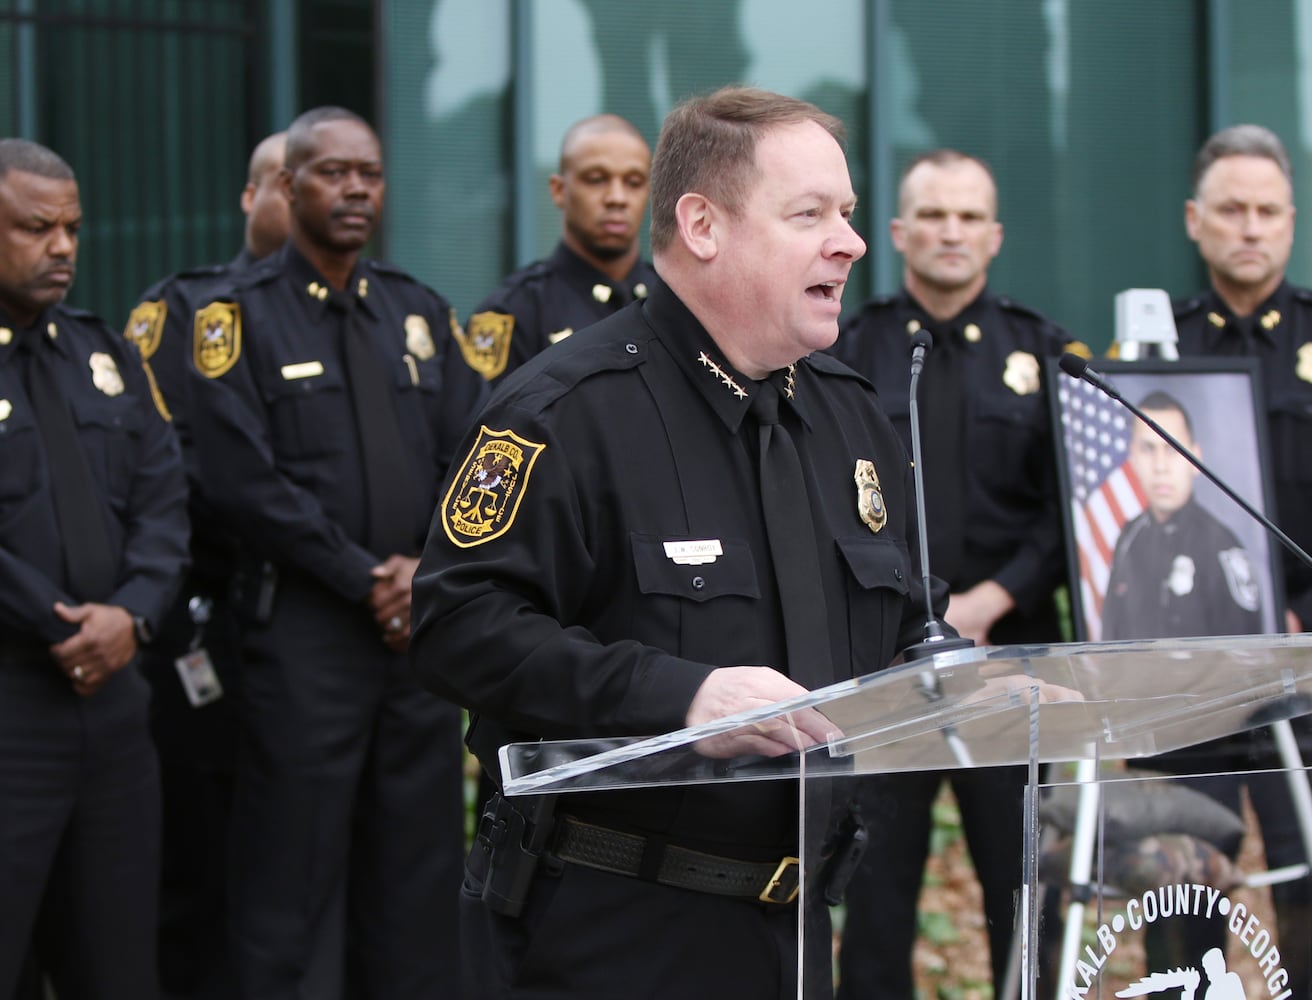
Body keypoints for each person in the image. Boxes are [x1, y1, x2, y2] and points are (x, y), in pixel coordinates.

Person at [410, 85, 947, 1000]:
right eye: (810, 214)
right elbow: (456, 625)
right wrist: (684, 693)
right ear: (702, 224)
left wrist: (971, 679)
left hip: (797, 927)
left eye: (848, 215)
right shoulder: (564, 412)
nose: (851, 243)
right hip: (610, 931)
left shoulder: (852, 418)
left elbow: (901, 627)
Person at [185, 107, 487, 1000]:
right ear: (287, 185)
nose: (355, 189)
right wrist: (368, 577)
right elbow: (245, 485)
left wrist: (421, 570)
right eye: (332, 173)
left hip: (412, 643)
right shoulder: (231, 321)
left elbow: (470, 458)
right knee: (293, 882)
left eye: (371, 174)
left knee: (418, 874)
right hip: (305, 640)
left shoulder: (418, 311)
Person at [829, 149, 1083, 1000]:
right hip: (888, 666)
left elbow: (1068, 508)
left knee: (1025, 891)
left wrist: (988, 600)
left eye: (969, 217)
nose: (951, 232)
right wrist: (921, 612)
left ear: (996, 234)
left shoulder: (1045, 350)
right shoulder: (846, 344)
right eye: (932, 215)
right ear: (896, 232)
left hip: (1012, 666)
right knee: (874, 892)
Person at [0, 138, 189, 999]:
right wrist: (57, 621)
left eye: (72, 227)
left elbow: (163, 501)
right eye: (35, 228)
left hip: (113, 708)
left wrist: (133, 615)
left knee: (116, 962)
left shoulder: (102, 355)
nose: (64, 247)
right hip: (14, 704)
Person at [122, 130, 290, 1000]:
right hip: (206, 614)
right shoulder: (182, 310)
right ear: (248, 197)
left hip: (309, 630)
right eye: (279, 181)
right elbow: (160, 465)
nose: (297, 198)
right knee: (199, 847)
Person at [1167, 122, 1312, 992]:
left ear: (1290, 221)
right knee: (1185, 895)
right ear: (1194, 219)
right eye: (1230, 209)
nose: (1249, 227)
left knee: (1311, 889)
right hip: (1192, 675)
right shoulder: (1156, 351)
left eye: (1267, 211)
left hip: (1310, 664)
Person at [460, 113, 658, 382]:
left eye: (633, 182)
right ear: (558, 190)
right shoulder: (513, 313)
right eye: (596, 179)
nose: (617, 198)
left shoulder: (674, 299)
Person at [1101, 392, 1261, 640]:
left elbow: (1245, 654)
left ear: (1195, 458)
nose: (1160, 466)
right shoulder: (1129, 538)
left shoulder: (1221, 546)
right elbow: (1111, 634)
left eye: (1173, 448)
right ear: (1133, 458)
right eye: (1148, 449)